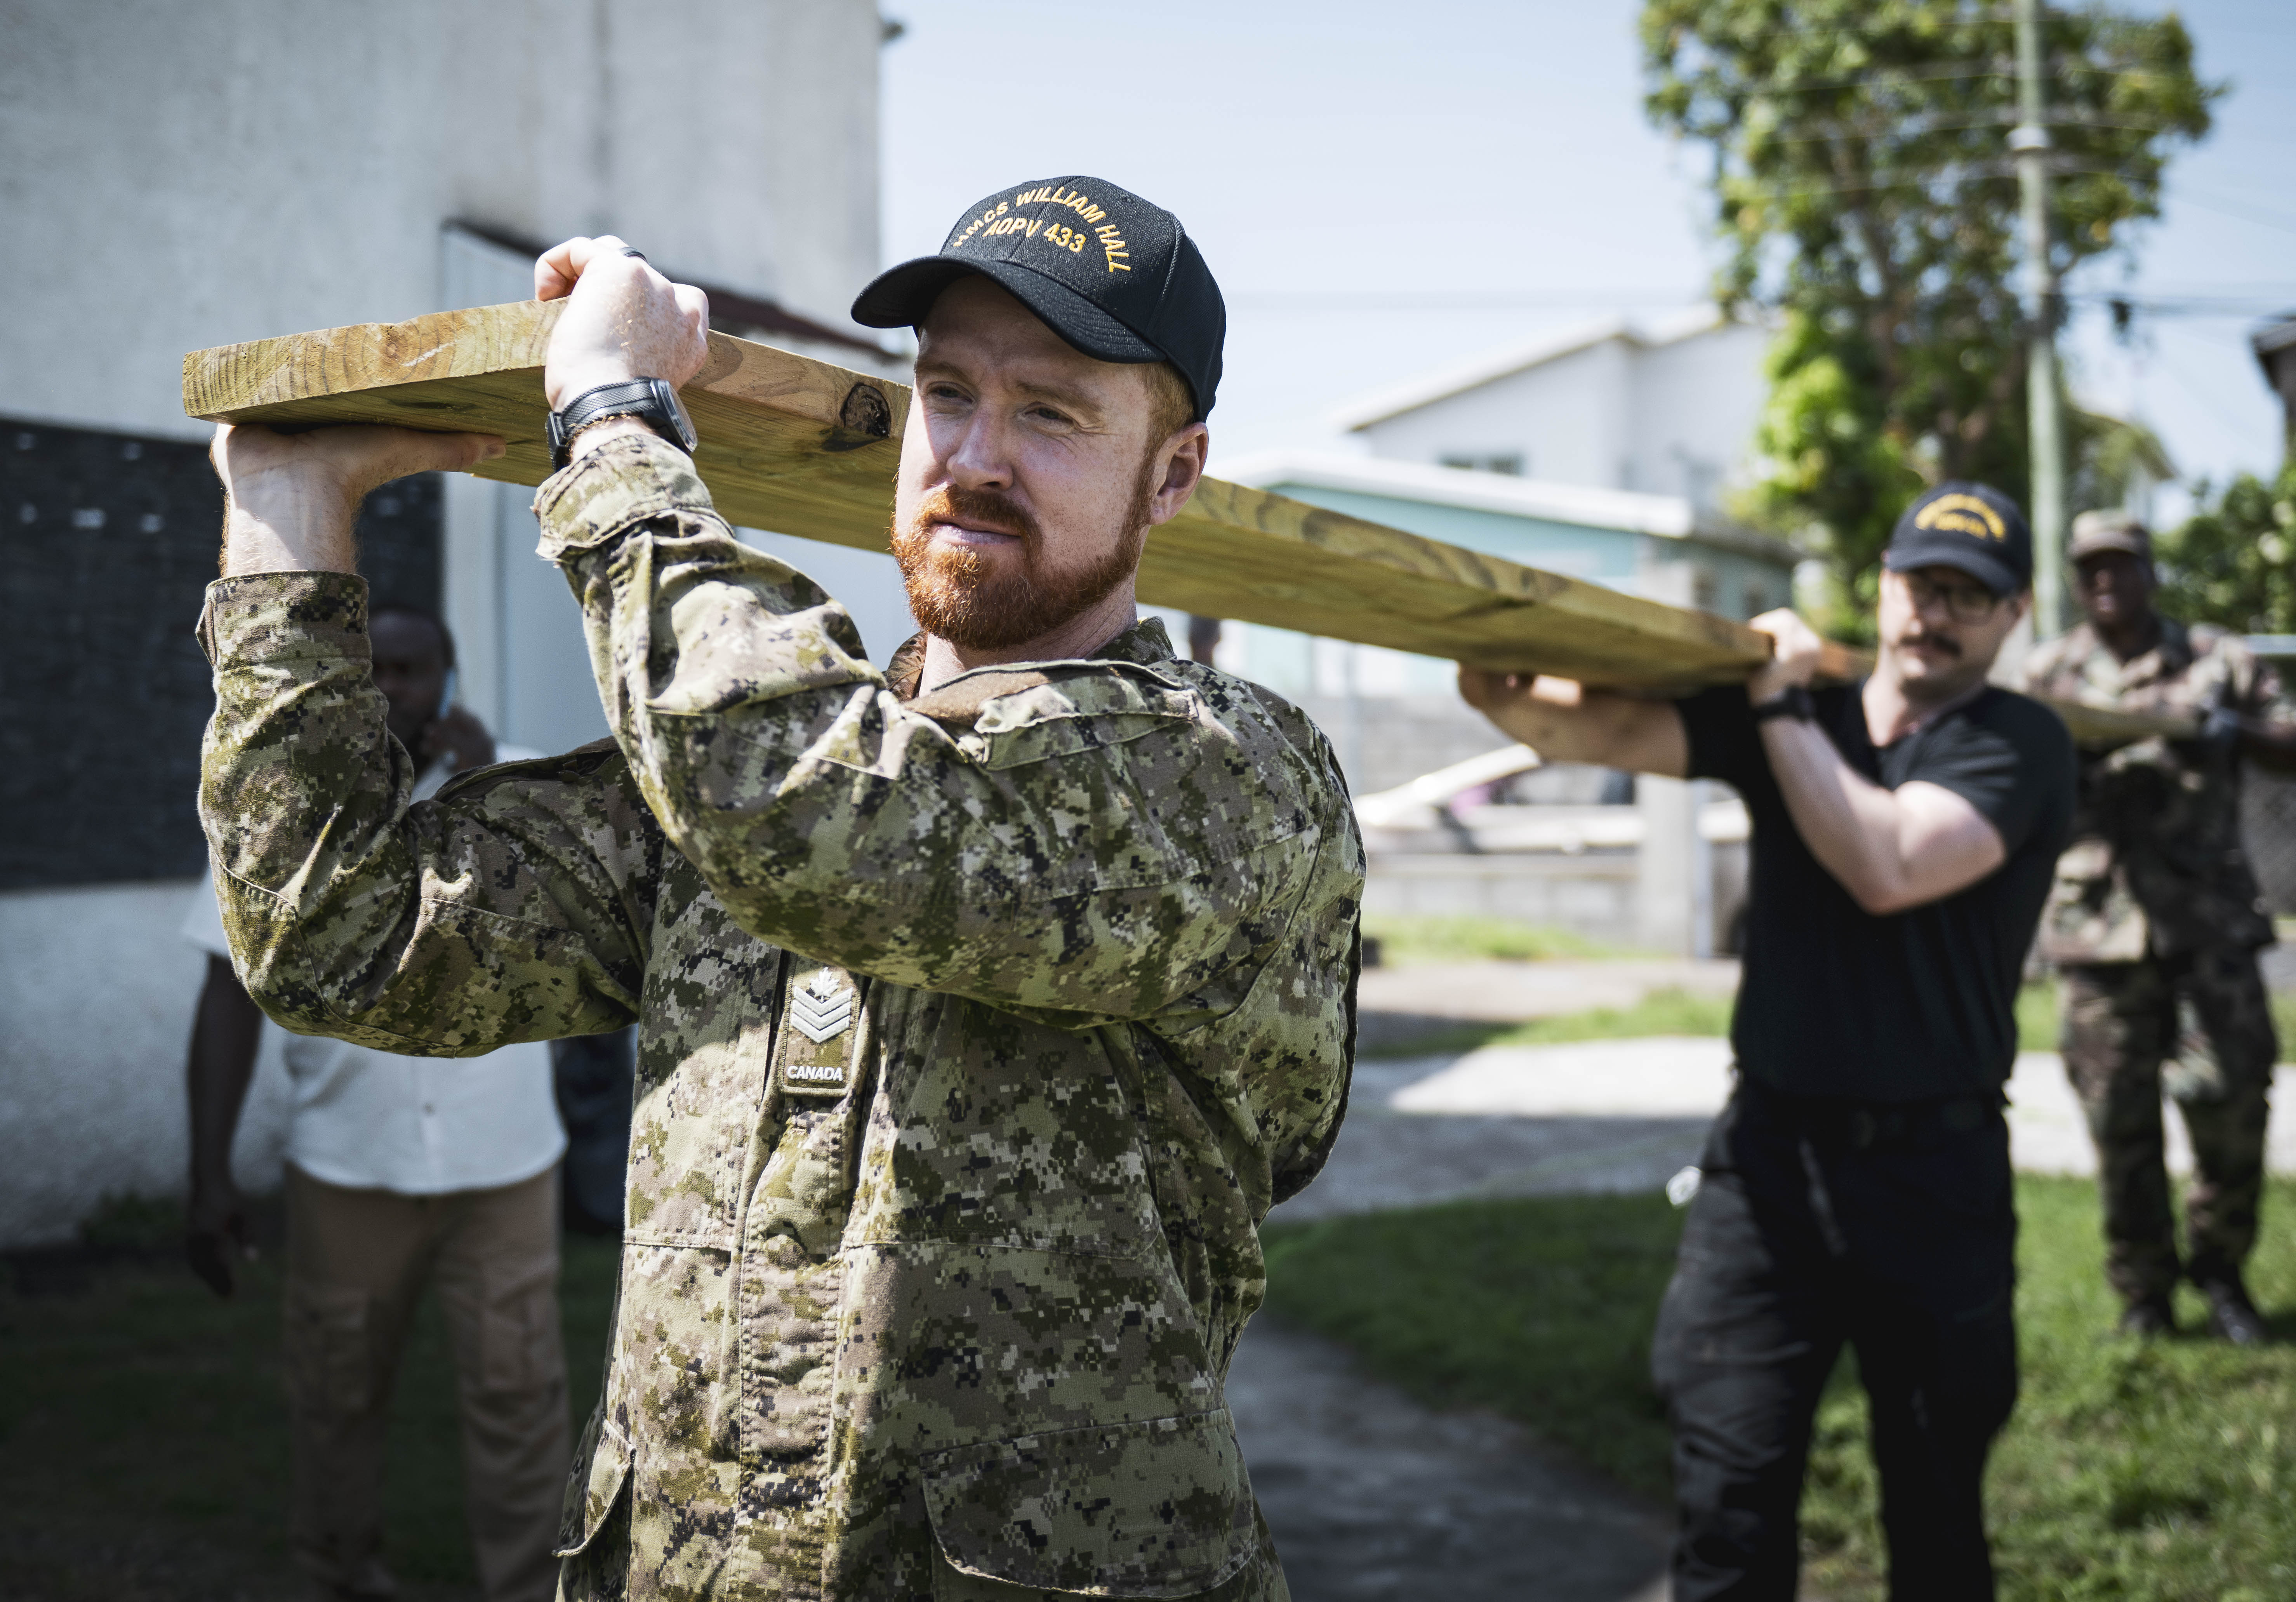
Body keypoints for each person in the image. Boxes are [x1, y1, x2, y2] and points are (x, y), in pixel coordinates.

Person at [195, 175, 1361, 1600]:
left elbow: (826, 819)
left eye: (1050, 412)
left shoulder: (1226, 775)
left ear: (1171, 473)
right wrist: (286, 526)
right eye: (945, 393)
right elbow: (339, 935)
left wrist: (614, 426)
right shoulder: (743, 771)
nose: (971, 455)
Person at [1462, 483, 2075, 1600]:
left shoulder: (2017, 741)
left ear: (2013, 614)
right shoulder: (1788, 709)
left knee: (1936, 1515)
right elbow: (1584, 725)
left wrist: (1781, 708)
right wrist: (1493, 666)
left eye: (1966, 597)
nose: (1933, 613)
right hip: (1767, 1170)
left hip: (1932, 1180)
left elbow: (1886, 864)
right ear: (1883, 581)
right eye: (1918, 583)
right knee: (1726, 1505)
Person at [184, 602, 567, 1602]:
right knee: (334, 1390)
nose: (394, 686)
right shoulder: (288, 810)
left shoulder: (522, 781)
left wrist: (483, 783)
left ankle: (530, 1589)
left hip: (504, 1161)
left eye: (413, 668)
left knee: (520, 1395)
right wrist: (208, 1171)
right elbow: (225, 998)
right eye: (377, 668)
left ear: (449, 677)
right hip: (348, 1165)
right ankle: (336, 1573)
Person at [2015, 510, 2296, 1344]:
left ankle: (2221, 1272)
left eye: (2120, 565)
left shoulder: (2217, 660)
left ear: (2148, 569)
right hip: (2097, 928)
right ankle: (2143, 1291)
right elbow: (2018, 784)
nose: (2104, 581)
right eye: (2089, 568)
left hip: (2207, 925)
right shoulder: (2050, 669)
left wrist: (2231, 732)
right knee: (2119, 1121)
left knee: (2229, 1101)